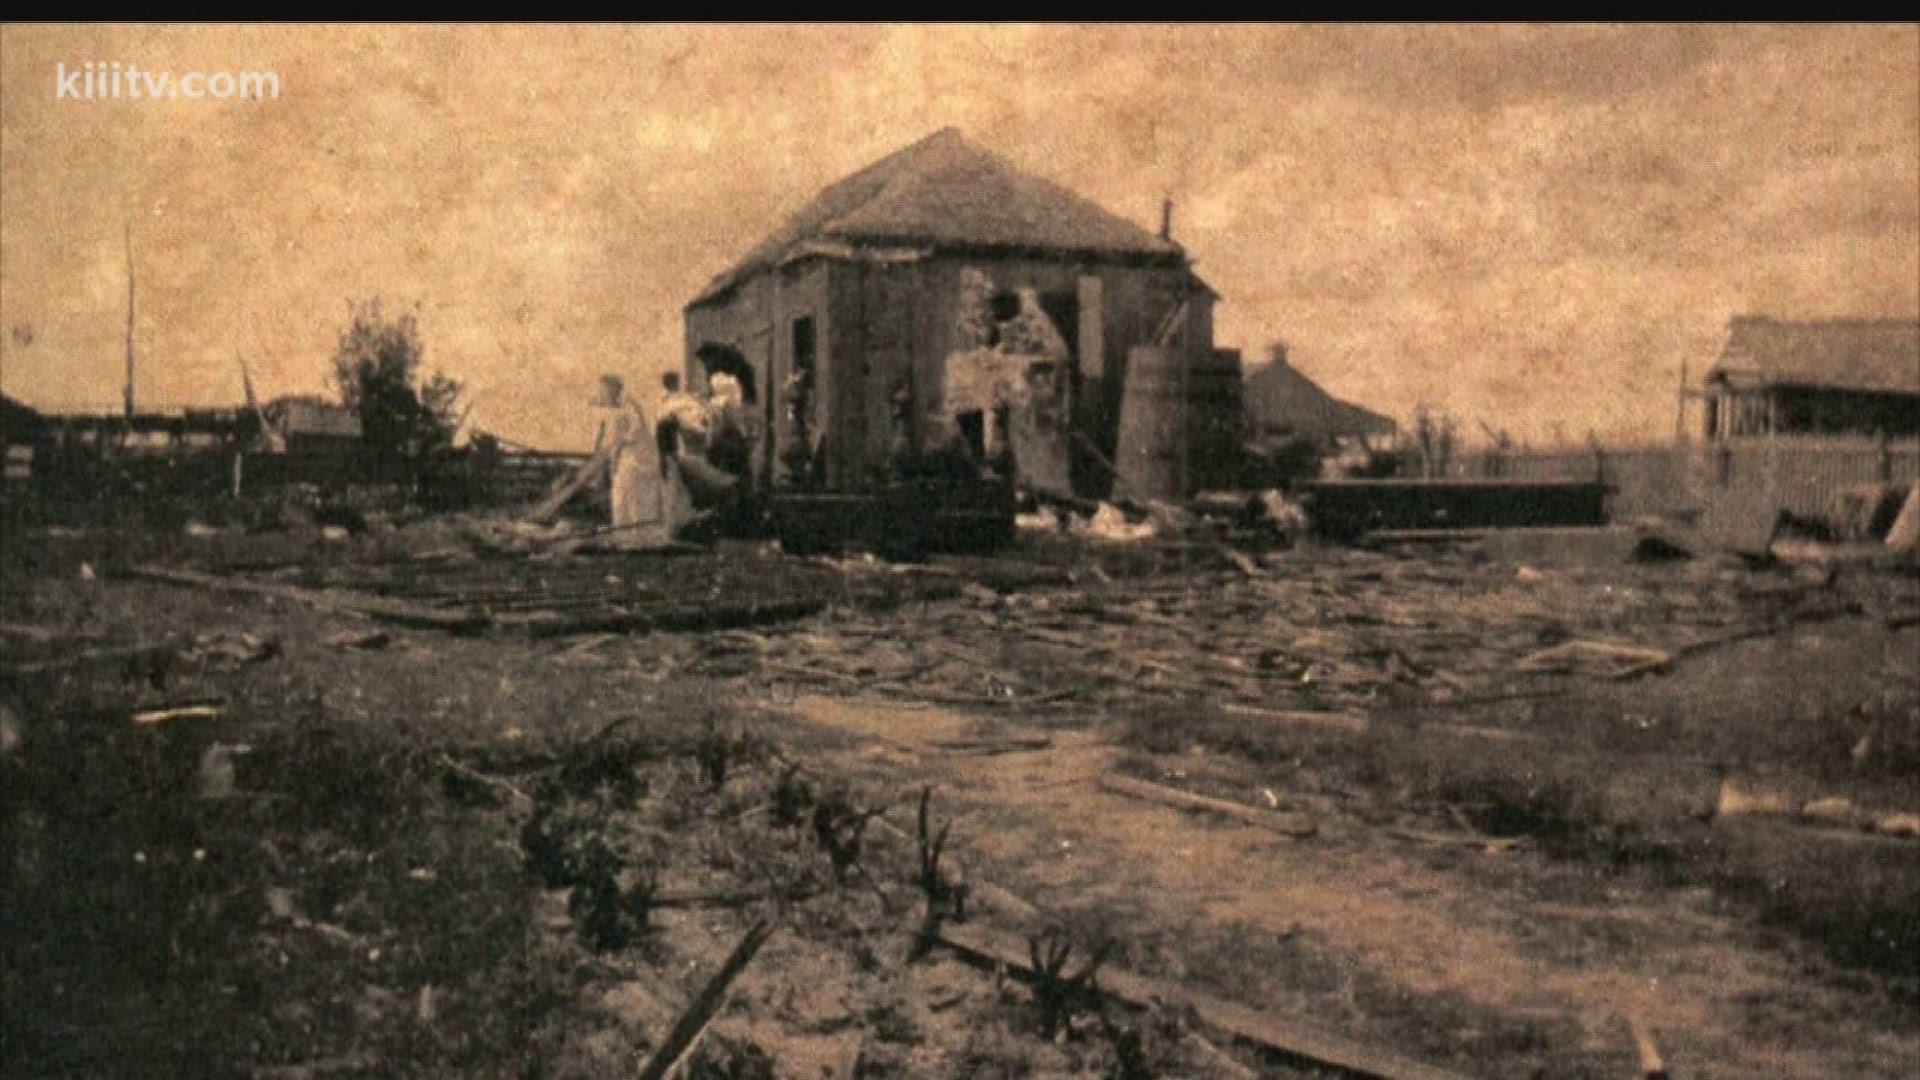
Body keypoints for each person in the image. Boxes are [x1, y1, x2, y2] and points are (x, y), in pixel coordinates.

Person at [591, 374, 667, 546]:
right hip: (629, 455)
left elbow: (636, 429)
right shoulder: (619, 407)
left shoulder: (628, 404)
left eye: (604, 390)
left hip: (637, 457)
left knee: (632, 494)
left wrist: (620, 442)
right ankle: (625, 533)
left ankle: (637, 534)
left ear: (613, 389)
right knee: (622, 494)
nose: (602, 394)